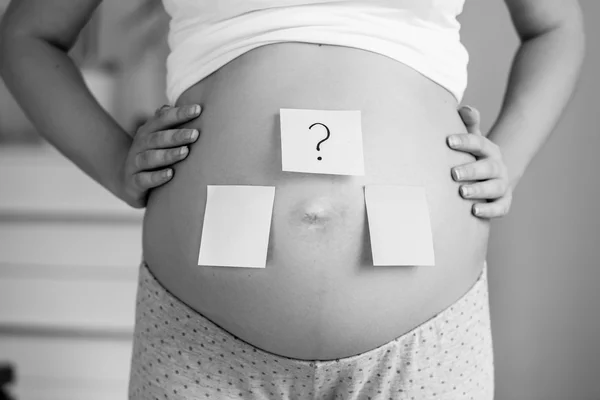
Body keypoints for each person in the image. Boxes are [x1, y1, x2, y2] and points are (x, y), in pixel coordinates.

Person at [0, 0, 584, 399]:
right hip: (201, 339)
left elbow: (557, 25)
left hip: (425, 340)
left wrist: (512, 154)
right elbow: (28, 35)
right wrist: (114, 163)